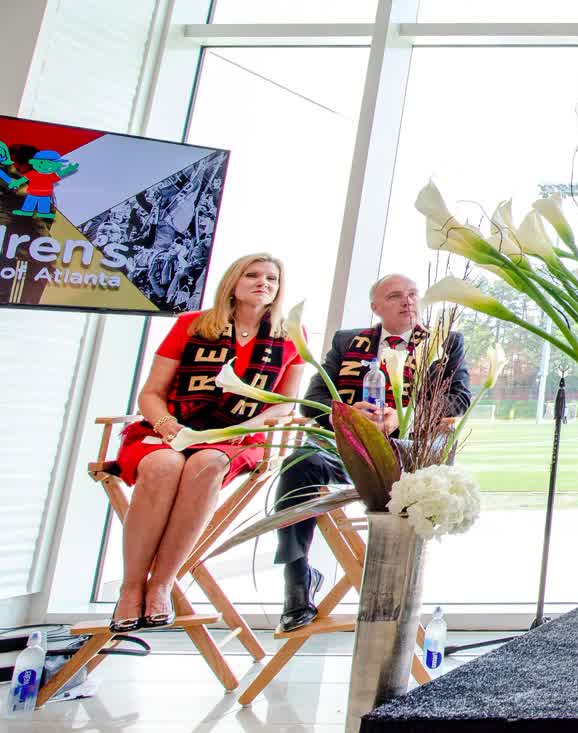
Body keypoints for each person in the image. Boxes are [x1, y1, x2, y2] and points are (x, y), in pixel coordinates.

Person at [115, 254, 310, 632]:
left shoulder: (288, 338)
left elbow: (286, 404)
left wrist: (250, 424)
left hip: (237, 434)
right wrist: (167, 425)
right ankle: (131, 586)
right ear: (232, 282)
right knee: (161, 466)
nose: (263, 283)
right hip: (172, 426)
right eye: (252, 275)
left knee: (205, 465)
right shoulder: (192, 325)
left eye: (272, 278)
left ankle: (162, 583)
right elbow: (151, 393)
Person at [276, 274, 470, 631]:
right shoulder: (348, 342)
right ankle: (297, 580)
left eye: (413, 295)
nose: (407, 302)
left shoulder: (446, 342)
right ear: (376, 308)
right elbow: (313, 400)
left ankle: (394, 591)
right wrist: (349, 417)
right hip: (349, 448)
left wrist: (403, 417)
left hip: (410, 452)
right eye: (395, 296)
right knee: (299, 465)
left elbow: (459, 397)